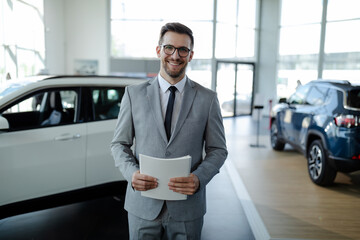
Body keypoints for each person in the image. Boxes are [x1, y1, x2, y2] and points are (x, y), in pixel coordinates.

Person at [111, 22, 228, 240]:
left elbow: (218, 150)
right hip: (142, 205)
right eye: (169, 48)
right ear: (159, 50)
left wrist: (199, 178)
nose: (175, 55)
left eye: (183, 49)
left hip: (188, 207)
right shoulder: (133, 95)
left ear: (190, 55)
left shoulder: (208, 99)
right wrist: (131, 174)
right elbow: (119, 144)